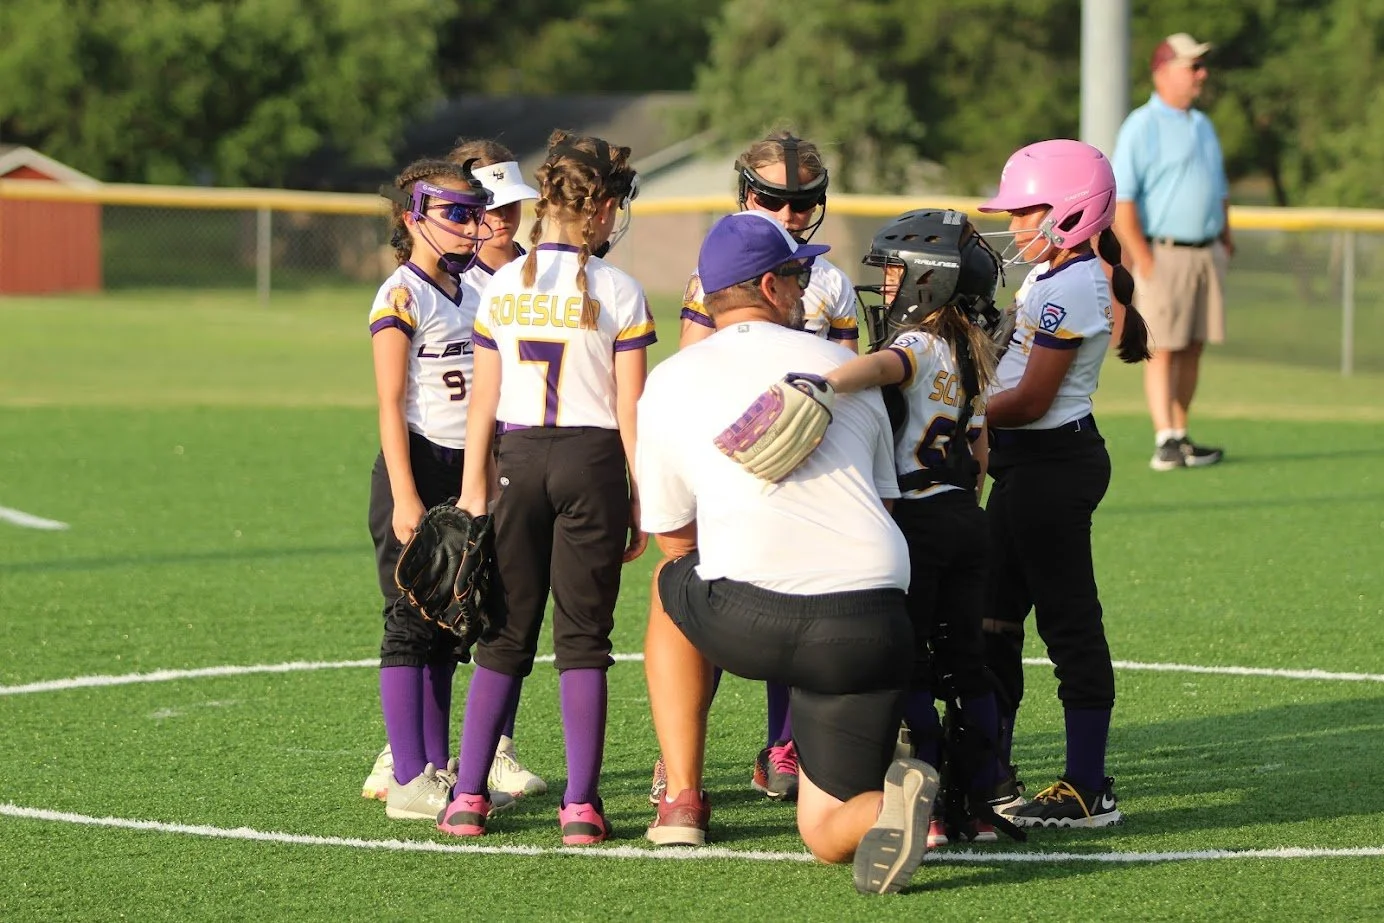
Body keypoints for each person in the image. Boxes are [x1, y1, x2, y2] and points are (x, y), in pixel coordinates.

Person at [638, 210, 938, 896]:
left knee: (669, 582)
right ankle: (884, 807)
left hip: (751, 619)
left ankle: (682, 796)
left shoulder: (674, 379)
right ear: (769, 286)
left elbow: (674, 539)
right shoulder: (842, 366)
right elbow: (886, 506)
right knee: (826, 827)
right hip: (870, 620)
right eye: (799, 275)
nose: (808, 288)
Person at [436, 132, 652, 846]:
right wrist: (643, 492)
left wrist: (474, 488)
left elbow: (485, 404)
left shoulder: (502, 284)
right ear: (598, 209)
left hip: (517, 461)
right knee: (584, 641)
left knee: (503, 632)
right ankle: (581, 808)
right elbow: (630, 410)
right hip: (592, 465)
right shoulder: (619, 290)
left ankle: (468, 795)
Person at [664, 132, 856, 803]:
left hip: (809, 462)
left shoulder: (829, 280)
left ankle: (786, 740)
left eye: (804, 201)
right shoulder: (718, 273)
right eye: (774, 198)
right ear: (746, 194)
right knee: (696, 597)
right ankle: (680, 758)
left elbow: (853, 387)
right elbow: (692, 362)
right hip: (730, 459)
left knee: (798, 588)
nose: (792, 212)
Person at [361, 143, 549, 807]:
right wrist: (406, 493)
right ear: (413, 217)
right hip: (416, 463)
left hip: (464, 467)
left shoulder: (471, 289)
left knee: (449, 624)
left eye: (478, 214)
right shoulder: (402, 293)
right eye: (458, 214)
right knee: (408, 621)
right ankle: (407, 775)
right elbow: (389, 402)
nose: (475, 227)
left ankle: (435, 767)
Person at [976, 138, 1152, 829]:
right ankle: (990, 767)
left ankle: (1087, 785)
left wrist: (952, 410)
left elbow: (1030, 401)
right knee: (993, 616)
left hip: (1052, 461)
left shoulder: (1073, 283)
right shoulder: (1049, 277)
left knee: (1068, 621)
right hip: (1028, 460)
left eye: (1028, 210)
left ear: (1072, 211)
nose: (1016, 224)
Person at [822, 209, 1009, 848]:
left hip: (919, 523)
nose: (888, 285)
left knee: (911, 670)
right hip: (964, 518)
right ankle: (979, 805)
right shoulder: (971, 353)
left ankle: (924, 810)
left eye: (898, 272)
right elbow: (979, 457)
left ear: (931, 279)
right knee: (969, 669)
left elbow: (881, 369)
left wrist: (821, 383)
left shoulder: (919, 345)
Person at [449, 137, 547, 800]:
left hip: (521, 452)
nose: (504, 218)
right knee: (439, 601)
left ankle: (497, 747)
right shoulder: (447, 279)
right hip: (454, 451)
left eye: (511, 204)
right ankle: (412, 747)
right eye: (490, 205)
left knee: (508, 605)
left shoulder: (535, 270)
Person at [1111, 32, 1232, 471]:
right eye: (1192, 66)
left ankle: (1181, 434)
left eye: (1201, 66)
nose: (1201, 74)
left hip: (1206, 251)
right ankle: (1164, 439)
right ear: (1164, 71)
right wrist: (1143, 258)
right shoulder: (1142, 125)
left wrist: (1226, 236)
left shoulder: (1202, 124)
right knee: (1163, 347)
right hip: (1164, 252)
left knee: (1193, 345)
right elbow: (1124, 201)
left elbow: (1219, 190)